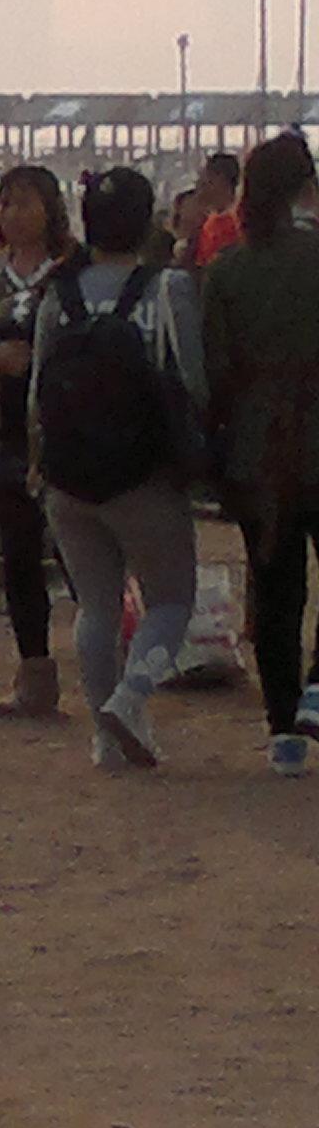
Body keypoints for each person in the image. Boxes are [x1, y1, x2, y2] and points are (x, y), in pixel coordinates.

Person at [28, 166, 205, 771]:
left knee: (96, 607)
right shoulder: (165, 289)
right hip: (143, 475)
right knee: (172, 601)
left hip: (68, 477)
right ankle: (132, 696)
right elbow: (193, 380)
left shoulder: (60, 293)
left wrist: (40, 463)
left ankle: (104, 739)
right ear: (147, 221)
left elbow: (38, 390)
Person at [199, 130, 319, 773]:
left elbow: (215, 375)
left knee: (275, 592)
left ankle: (283, 731)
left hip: (257, 452)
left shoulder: (227, 271)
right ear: (308, 187)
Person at [0, 164, 73, 720]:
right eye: (6, 203)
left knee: (82, 560)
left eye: (26, 203)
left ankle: (112, 664)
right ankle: (34, 676)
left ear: (51, 209)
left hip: (71, 433)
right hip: (9, 437)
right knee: (20, 562)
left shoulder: (72, 270)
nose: (14, 214)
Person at [187, 149, 246, 269]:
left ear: (221, 179)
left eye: (208, 179)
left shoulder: (239, 221)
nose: (202, 185)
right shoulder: (207, 222)